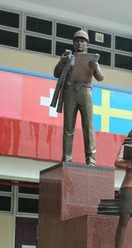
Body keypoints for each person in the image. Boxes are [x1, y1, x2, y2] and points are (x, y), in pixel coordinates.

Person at [53, 29, 104, 166]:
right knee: (68, 127)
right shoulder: (68, 57)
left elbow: (100, 77)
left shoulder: (91, 59)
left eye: (82, 41)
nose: (79, 43)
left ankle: (91, 159)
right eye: (77, 41)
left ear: (87, 44)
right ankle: (67, 157)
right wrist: (62, 62)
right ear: (73, 43)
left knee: (88, 126)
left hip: (85, 92)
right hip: (70, 92)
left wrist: (96, 68)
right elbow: (56, 73)